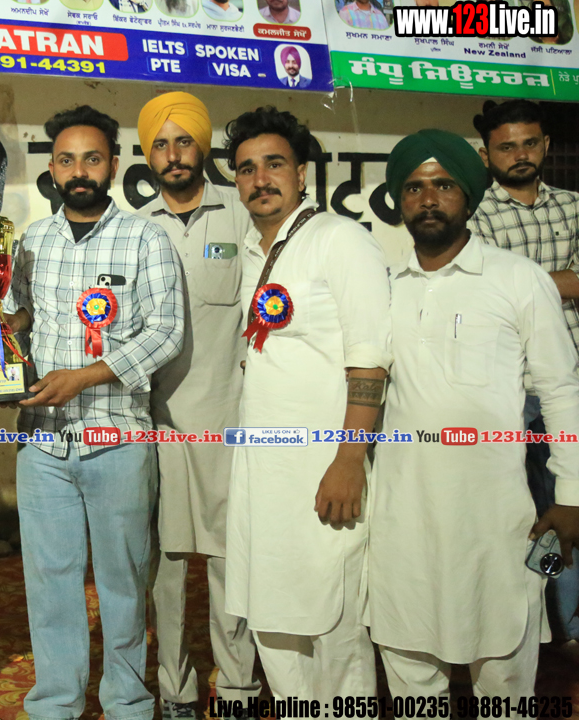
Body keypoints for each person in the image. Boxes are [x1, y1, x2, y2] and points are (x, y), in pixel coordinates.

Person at [372, 128, 579, 699]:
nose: (428, 199)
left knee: (504, 671)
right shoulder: (384, 289)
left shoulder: (519, 279)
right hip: (403, 516)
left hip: (495, 517)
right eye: (413, 187)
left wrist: (570, 495)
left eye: (443, 185)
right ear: (399, 201)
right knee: (409, 665)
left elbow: (561, 390)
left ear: (468, 195)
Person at [0, 105, 183, 720]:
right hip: (42, 446)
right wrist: (1, 335)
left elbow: (166, 332)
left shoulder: (145, 238)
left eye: (92, 159)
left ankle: (127, 702)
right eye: (67, 160)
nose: (79, 171)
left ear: (114, 166)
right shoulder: (31, 240)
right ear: (52, 169)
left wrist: (84, 377)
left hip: (118, 438)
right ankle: (56, 702)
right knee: (49, 583)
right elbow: (19, 316)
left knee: (124, 583)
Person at [223, 106, 390, 700]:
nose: (260, 179)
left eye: (274, 164)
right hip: (263, 479)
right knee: (272, 624)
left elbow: (370, 361)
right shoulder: (253, 249)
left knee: (333, 630)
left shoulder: (340, 240)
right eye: (247, 168)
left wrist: (349, 459)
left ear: (300, 174)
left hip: (326, 473)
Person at [135, 93, 259, 720]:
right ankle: (176, 690)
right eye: (160, 144)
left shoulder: (244, 214)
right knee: (165, 567)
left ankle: (237, 688)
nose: (173, 154)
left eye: (184, 141)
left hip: (231, 420)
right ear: (147, 154)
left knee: (231, 558)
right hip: (155, 423)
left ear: (203, 147)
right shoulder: (134, 227)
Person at [472, 99, 579, 646]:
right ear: (486, 153)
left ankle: (568, 624)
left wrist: (522, 282)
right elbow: (485, 292)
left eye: (530, 143)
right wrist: (560, 280)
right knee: (532, 513)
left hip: (570, 383)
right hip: (514, 392)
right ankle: (542, 621)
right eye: (507, 146)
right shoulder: (474, 215)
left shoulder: (574, 206)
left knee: (574, 505)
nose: (520, 154)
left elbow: (507, 287)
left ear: (546, 145)